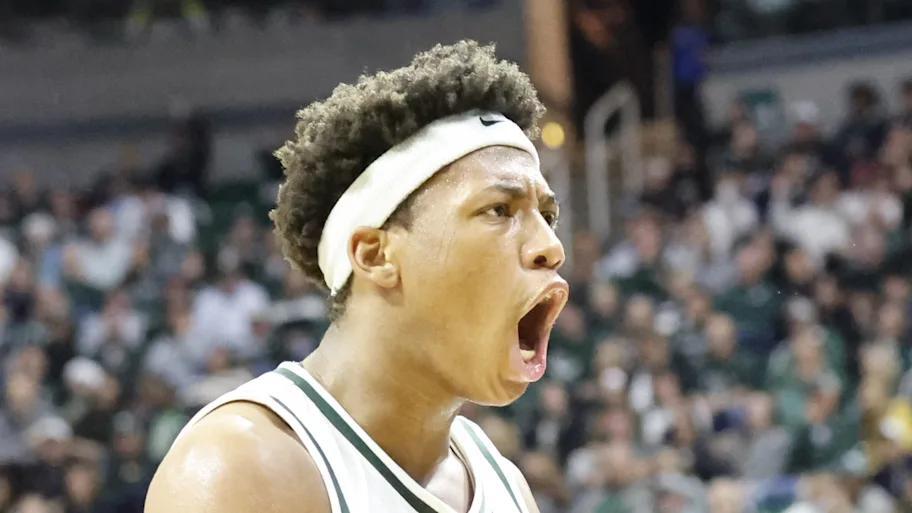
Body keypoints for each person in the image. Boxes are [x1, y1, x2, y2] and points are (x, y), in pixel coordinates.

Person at [145, 40, 569, 513]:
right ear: (375, 255)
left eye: (547, 216)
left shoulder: (506, 485)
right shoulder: (244, 469)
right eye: (499, 210)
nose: (551, 247)